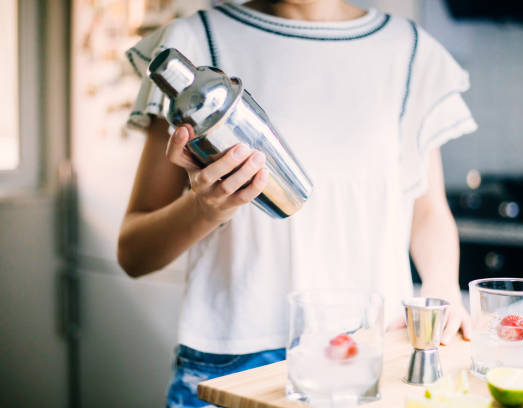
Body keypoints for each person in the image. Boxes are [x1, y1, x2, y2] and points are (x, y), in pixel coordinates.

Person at [118, 0, 477, 406]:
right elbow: (134, 253)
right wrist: (205, 209)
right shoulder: (194, 44)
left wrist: (443, 287)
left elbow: (427, 212)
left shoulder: (410, 50)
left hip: (370, 356)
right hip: (234, 362)